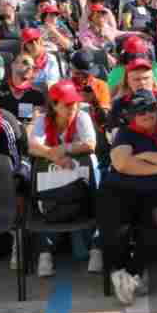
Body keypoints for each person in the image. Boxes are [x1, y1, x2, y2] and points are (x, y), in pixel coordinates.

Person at [99, 89, 157, 306]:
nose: (147, 114)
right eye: (140, 111)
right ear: (131, 115)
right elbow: (122, 164)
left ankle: (129, 273)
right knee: (115, 223)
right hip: (121, 190)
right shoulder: (125, 133)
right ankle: (123, 271)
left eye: (150, 109)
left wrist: (145, 156)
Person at [27, 80, 99, 276]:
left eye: (74, 102)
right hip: (53, 181)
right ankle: (44, 253)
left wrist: (64, 148)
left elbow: (90, 144)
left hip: (80, 180)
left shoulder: (82, 116)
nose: (72, 108)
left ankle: (96, 247)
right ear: (54, 105)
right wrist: (56, 157)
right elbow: (33, 146)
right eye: (67, 104)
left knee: (99, 181)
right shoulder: (43, 120)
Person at [0, 53, 47, 124]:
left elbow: (33, 124)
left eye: (33, 66)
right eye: (25, 63)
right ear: (13, 65)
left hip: (25, 133)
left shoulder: (36, 95)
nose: (30, 67)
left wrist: (23, 134)